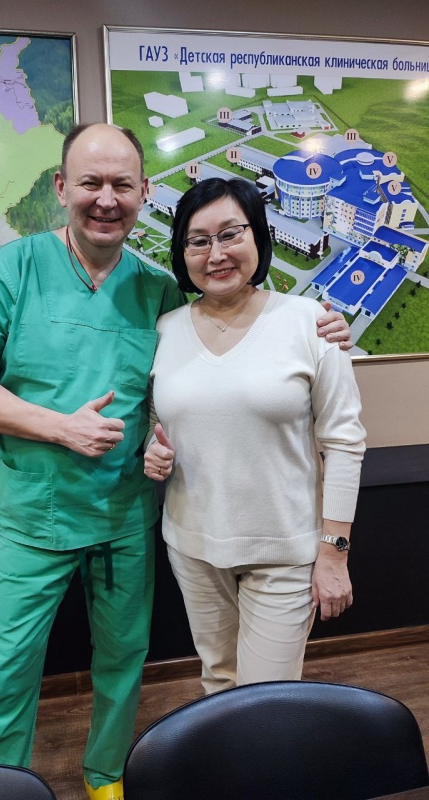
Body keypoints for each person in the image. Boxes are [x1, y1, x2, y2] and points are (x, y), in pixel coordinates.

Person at [0, 125, 353, 800]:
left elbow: (208, 367)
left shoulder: (158, 292)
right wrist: (61, 428)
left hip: (127, 515)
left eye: (121, 185)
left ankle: (107, 776)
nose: (106, 199)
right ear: (62, 188)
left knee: (124, 661)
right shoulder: (11, 271)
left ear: (143, 192)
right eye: (91, 183)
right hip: (34, 515)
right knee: (6, 671)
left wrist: (320, 324)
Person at [144, 176, 366, 695]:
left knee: (267, 699)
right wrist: (151, 451)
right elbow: (156, 420)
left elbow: (344, 441)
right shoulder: (164, 330)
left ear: (258, 236)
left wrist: (334, 553)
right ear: (182, 252)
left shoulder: (310, 322)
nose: (216, 253)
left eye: (230, 234)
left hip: (285, 550)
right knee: (218, 682)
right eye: (198, 241)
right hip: (193, 546)